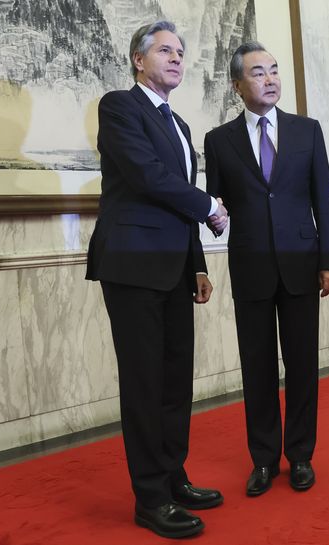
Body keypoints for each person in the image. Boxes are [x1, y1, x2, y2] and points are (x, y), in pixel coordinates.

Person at [85, 21, 228, 539]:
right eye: (165, 50)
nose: (176, 58)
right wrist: (210, 206)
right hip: (131, 264)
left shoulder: (182, 126)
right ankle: (149, 498)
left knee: (174, 382)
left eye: (181, 52)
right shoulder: (118, 107)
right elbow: (148, 177)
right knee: (145, 384)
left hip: (173, 265)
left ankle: (173, 477)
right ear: (138, 60)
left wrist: (197, 264)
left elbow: (175, 196)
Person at [204, 42, 329, 497]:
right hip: (251, 266)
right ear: (237, 85)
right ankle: (263, 459)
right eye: (258, 73)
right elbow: (217, 205)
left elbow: (323, 197)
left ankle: (300, 455)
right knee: (257, 367)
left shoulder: (308, 131)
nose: (270, 79)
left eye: (274, 71)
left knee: (302, 364)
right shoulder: (219, 140)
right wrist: (213, 217)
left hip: (303, 263)